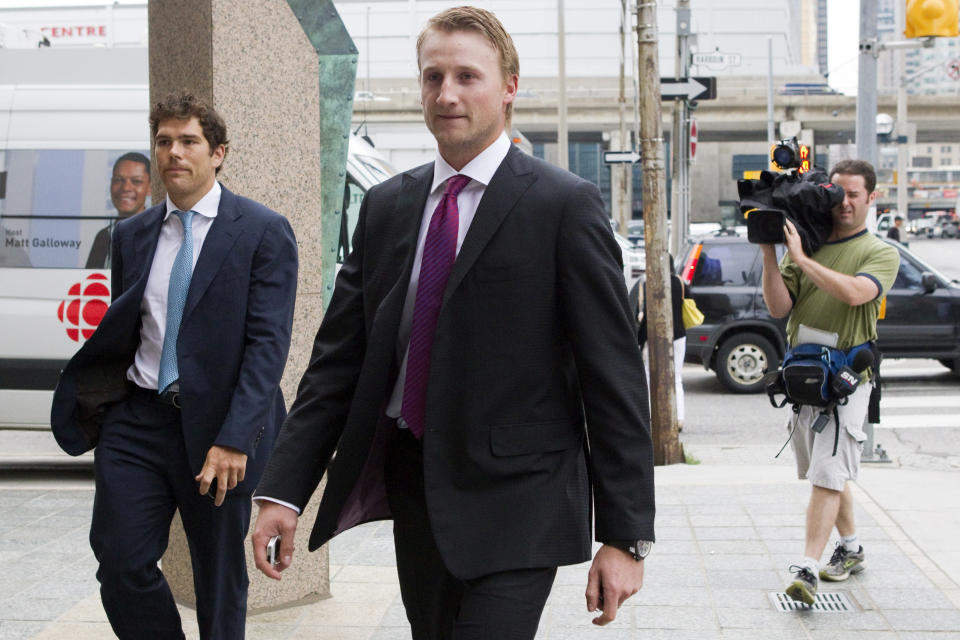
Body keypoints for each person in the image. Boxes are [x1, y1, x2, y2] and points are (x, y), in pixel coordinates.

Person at [252, 7, 655, 639]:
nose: (447, 94)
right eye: (433, 76)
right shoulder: (388, 207)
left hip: (522, 498)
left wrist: (626, 535)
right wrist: (282, 490)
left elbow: (615, 378)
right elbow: (337, 365)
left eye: (468, 76)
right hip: (420, 492)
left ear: (509, 86)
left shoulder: (563, 205)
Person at [50, 93, 299, 639]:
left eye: (188, 141)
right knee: (121, 562)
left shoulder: (262, 230)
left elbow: (267, 344)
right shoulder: (133, 235)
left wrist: (235, 437)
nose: (173, 153)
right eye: (163, 141)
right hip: (138, 420)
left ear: (218, 153)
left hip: (220, 430)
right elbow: (129, 327)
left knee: (218, 579)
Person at [760, 159, 899, 605]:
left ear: (871, 198)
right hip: (803, 379)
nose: (844, 202)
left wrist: (801, 258)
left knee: (827, 471)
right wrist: (770, 251)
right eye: (836, 193)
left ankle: (807, 568)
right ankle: (852, 548)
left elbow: (857, 292)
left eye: (854, 194)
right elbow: (779, 308)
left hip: (847, 380)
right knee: (828, 472)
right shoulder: (811, 244)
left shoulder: (880, 251)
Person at [637, 255, 687, 429]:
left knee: (650, 375)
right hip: (679, 335)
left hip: (655, 336)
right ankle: (679, 419)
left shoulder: (649, 283)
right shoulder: (679, 282)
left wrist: (639, 341)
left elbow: (646, 317)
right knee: (676, 377)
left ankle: (650, 417)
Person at [86, 152, 151, 268]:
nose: (125, 188)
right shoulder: (104, 236)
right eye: (118, 180)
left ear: (150, 188)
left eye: (136, 181)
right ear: (110, 184)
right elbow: (91, 280)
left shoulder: (157, 232)